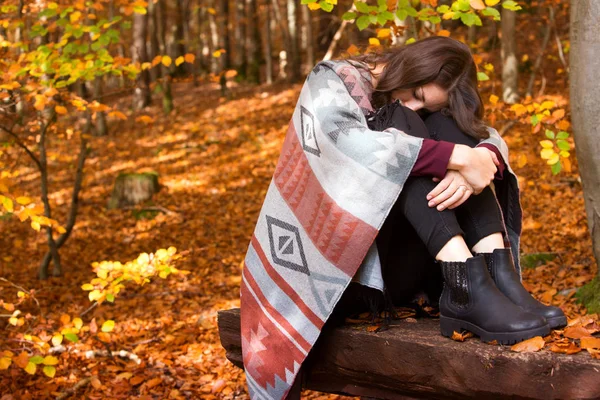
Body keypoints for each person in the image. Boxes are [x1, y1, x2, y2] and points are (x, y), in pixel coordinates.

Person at [239, 36, 566, 400]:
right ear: (411, 66)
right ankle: (465, 277)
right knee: (400, 126)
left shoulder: (427, 105)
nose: (409, 102)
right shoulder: (332, 78)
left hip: (404, 274)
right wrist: (453, 157)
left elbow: (488, 139)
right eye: (415, 92)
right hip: (334, 277)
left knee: (451, 128)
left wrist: (476, 156)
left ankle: (497, 277)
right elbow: (348, 142)